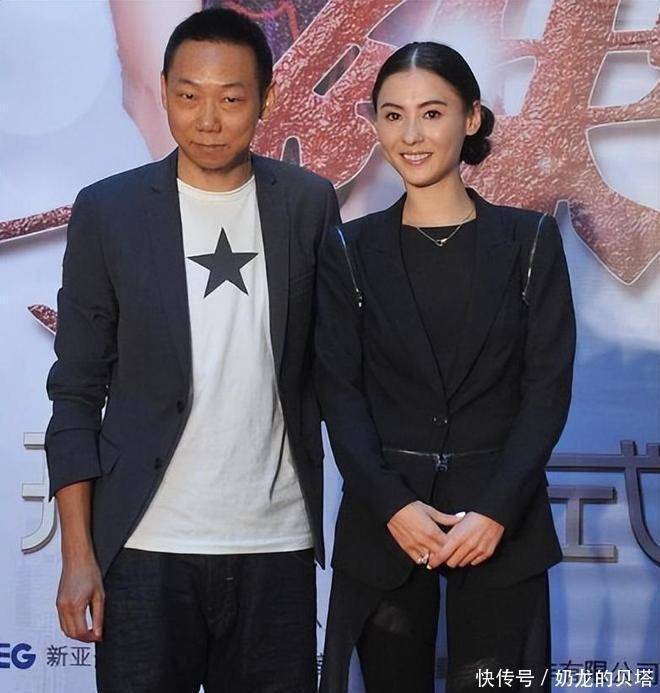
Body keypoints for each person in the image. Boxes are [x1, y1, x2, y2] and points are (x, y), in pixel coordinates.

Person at [45, 8, 340, 693]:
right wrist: (79, 554)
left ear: (266, 99)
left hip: (275, 546)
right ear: (164, 90)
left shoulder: (307, 204)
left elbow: (337, 372)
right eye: (188, 96)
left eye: (231, 99)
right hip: (144, 549)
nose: (208, 120)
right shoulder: (110, 211)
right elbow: (76, 391)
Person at [316, 42, 575, 693]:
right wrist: (392, 504)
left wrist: (496, 510)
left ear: (472, 118)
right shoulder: (349, 248)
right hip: (386, 530)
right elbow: (339, 393)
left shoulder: (530, 241)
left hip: (501, 529)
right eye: (393, 115)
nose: (411, 135)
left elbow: (546, 390)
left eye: (431, 113)